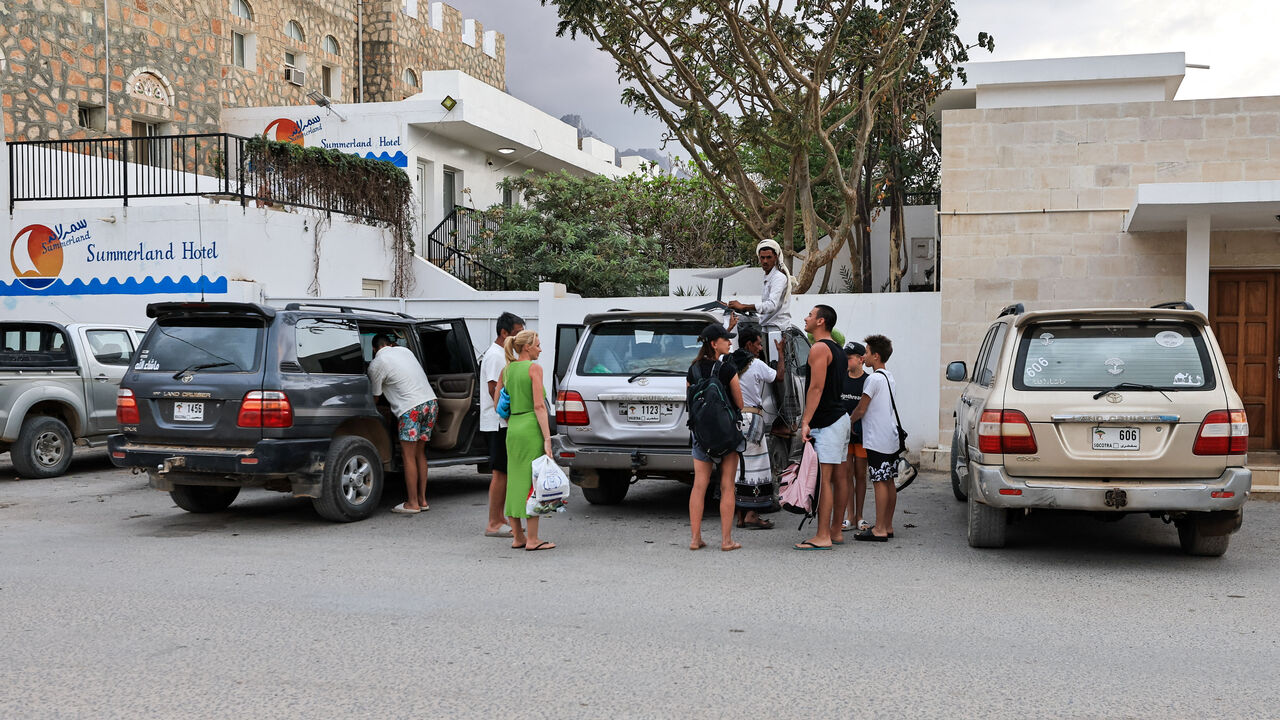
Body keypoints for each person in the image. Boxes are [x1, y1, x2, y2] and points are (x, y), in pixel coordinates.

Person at [795, 305, 849, 550]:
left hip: (827, 422)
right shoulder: (838, 349)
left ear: (821, 321)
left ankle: (823, 536)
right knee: (839, 478)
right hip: (840, 418)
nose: (806, 318)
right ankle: (835, 531)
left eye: (810, 314)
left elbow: (816, 388)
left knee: (824, 480)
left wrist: (805, 421)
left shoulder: (818, 348)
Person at [687, 323, 744, 552]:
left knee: (699, 485)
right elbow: (739, 403)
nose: (730, 342)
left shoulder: (693, 370)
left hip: (701, 435)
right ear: (714, 343)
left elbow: (690, 402)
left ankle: (695, 539)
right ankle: (726, 540)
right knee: (727, 485)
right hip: (727, 435)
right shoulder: (727, 370)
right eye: (726, 339)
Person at [368, 333, 438, 515]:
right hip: (431, 404)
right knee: (420, 453)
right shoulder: (405, 351)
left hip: (411, 409)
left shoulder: (376, 363)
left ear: (374, 349)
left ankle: (412, 503)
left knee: (408, 456)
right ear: (390, 344)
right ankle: (423, 500)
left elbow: (375, 397)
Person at [501, 330, 556, 551]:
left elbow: (499, 403)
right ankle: (533, 539)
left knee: (515, 480)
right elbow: (539, 406)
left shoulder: (508, 369)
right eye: (538, 345)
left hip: (514, 426)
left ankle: (518, 537)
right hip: (531, 427)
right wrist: (547, 438)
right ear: (527, 347)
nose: (540, 349)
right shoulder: (534, 369)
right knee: (533, 482)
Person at [731, 324, 785, 531]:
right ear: (748, 344)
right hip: (752, 418)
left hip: (734, 420)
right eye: (758, 344)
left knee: (739, 467)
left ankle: (740, 516)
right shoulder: (755, 364)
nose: (760, 348)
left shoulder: (728, 361)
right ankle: (752, 514)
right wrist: (781, 354)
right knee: (757, 467)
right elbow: (779, 376)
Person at [848, 334, 899, 542]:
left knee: (879, 482)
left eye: (867, 352)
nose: (865, 356)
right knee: (889, 481)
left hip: (876, 438)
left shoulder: (873, 379)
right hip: (890, 437)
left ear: (876, 356)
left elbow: (862, 408)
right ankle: (887, 525)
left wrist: (849, 422)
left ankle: (879, 529)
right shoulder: (889, 377)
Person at [479, 312, 524, 538]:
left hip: (500, 422)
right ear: (504, 333)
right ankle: (493, 522)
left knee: (504, 472)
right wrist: (509, 417)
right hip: (497, 423)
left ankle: (500, 518)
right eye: (516, 334)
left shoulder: (502, 354)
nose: (519, 339)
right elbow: (494, 390)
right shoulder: (496, 356)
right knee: (500, 473)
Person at [725, 239, 795, 330]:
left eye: (769, 257)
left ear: (776, 257)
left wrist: (743, 306)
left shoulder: (778, 278)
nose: (765, 261)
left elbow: (771, 306)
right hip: (768, 328)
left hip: (777, 329)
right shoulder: (769, 277)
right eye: (762, 257)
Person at [839, 341, 870, 533]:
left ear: (861, 359)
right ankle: (849, 516)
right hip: (843, 435)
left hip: (861, 435)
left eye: (849, 358)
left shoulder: (868, 380)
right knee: (846, 475)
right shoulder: (841, 377)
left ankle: (859, 515)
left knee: (860, 475)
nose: (846, 361)